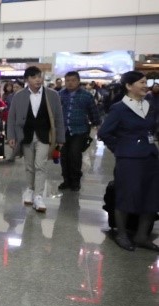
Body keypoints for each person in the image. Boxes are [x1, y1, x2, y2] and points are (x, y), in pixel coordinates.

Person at [97, 71, 159, 252]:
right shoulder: (119, 108)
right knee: (126, 195)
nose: (145, 85)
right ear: (129, 86)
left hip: (150, 156)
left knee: (151, 196)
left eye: (146, 82)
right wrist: (121, 149)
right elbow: (104, 133)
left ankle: (142, 236)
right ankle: (122, 234)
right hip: (129, 160)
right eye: (141, 82)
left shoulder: (149, 105)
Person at [6, 66, 65, 213]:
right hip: (25, 135)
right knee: (29, 166)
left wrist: (60, 138)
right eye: (34, 77)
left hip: (45, 135)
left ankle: (38, 195)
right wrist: (11, 136)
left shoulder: (52, 95)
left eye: (39, 76)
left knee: (40, 165)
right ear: (27, 80)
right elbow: (11, 117)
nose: (38, 80)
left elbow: (58, 117)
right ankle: (30, 189)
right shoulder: (19, 95)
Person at [57, 71, 101, 192]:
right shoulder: (59, 94)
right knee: (64, 156)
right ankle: (66, 180)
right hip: (63, 131)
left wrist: (97, 124)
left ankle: (75, 181)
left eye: (73, 80)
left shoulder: (86, 95)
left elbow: (93, 112)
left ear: (78, 81)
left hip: (80, 130)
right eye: (67, 81)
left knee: (75, 155)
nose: (70, 83)